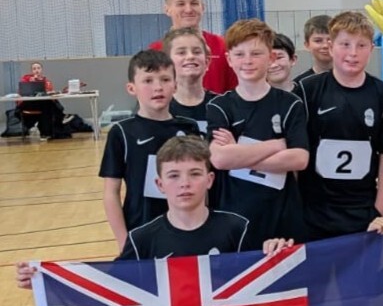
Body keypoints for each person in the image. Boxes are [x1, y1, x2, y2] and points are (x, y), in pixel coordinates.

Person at [17, 137, 291, 288]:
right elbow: (107, 284)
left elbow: (260, 279)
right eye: (173, 176)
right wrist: (45, 282)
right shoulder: (142, 239)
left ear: (209, 180)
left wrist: (273, 250)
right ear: (160, 185)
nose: (184, 183)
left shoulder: (237, 228)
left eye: (195, 174)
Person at [294, 11, 383, 240]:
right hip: (311, 214)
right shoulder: (307, 90)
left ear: (371, 49)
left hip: (362, 214)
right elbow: (295, 151)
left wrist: (378, 211)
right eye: (345, 44)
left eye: (361, 45)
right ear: (331, 47)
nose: (353, 53)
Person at [207, 19, 309, 250]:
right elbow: (220, 159)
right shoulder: (220, 106)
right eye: (240, 54)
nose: (248, 61)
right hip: (232, 216)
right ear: (229, 59)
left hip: (281, 217)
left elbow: (299, 159)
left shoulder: (290, 104)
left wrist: (239, 154)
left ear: (270, 58)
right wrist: (276, 145)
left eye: (256, 53)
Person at [100, 50, 201, 251]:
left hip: (188, 232)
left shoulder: (190, 128)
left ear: (175, 85)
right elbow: (111, 192)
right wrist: (124, 243)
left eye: (165, 79)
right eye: (148, 80)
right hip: (142, 233)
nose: (158, 87)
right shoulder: (122, 132)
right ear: (131, 88)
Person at [151, 0, 237, 93]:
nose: (188, 9)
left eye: (194, 3)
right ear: (167, 10)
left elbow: (234, 91)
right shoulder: (156, 51)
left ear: (203, 7)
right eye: (181, 4)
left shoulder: (222, 45)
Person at [164, 27, 217, 132]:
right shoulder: (160, 107)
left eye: (196, 52)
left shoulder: (221, 105)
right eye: (181, 53)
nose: (190, 56)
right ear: (167, 63)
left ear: (207, 61)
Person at [17, 61, 67, 139]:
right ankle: (61, 117)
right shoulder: (25, 79)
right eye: (34, 69)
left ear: (41, 70)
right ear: (31, 71)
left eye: (38, 68)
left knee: (48, 105)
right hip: (29, 103)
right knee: (51, 106)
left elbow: (49, 92)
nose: (36, 70)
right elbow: (21, 92)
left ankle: (46, 132)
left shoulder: (46, 81)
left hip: (43, 103)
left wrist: (50, 92)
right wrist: (31, 82)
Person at [292, 15, 332, 85]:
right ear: (307, 45)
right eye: (318, 41)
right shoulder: (300, 84)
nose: (325, 45)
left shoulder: (352, 78)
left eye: (330, 39)